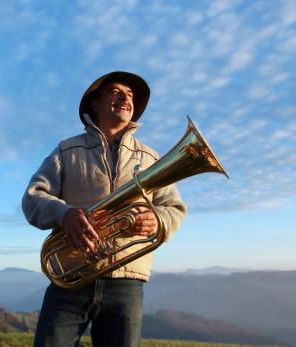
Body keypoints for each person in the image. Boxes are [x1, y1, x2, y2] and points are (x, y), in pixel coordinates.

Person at [22, 71, 188, 347]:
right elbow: (32, 199)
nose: (125, 97)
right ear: (95, 104)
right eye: (116, 91)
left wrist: (157, 221)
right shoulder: (66, 150)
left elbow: (174, 207)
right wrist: (63, 214)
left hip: (127, 281)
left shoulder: (151, 157)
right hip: (71, 275)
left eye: (131, 95)